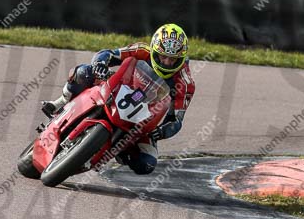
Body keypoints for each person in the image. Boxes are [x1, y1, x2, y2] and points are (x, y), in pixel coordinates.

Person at [42, 23, 195, 175]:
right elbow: (108, 54)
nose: (167, 62)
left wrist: (160, 132)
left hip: (145, 117)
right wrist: (100, 65)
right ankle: (60, 102)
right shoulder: (142, 50)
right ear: (155, 50)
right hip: (119, 90)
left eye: (173, 59)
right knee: (84, 72)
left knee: (146, 163)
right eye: (163, 57)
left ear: (181, 58)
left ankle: (119, 150)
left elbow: (175, 120)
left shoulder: (186, 83)